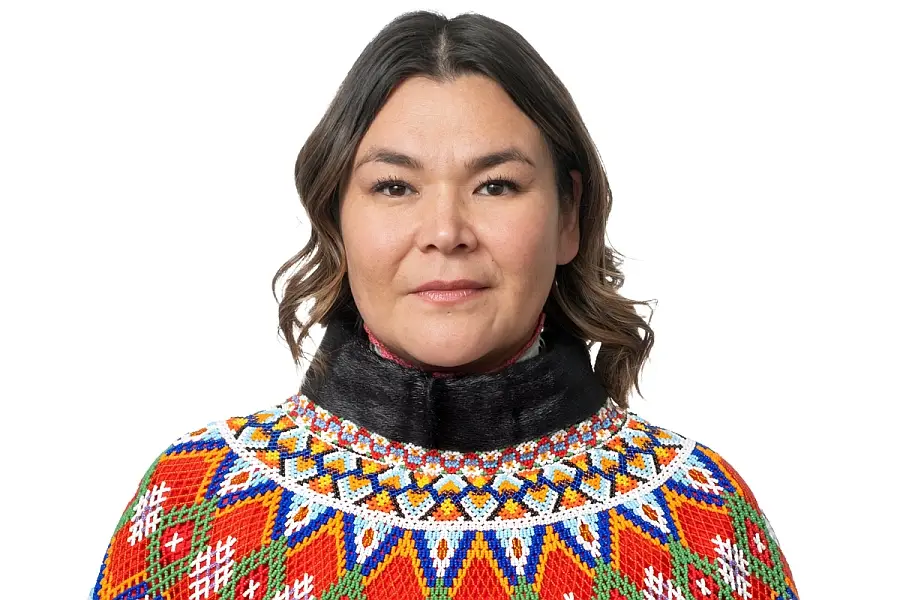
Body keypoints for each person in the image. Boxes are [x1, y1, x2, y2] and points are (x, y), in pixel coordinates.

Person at [90, 10, 799, 600]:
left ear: (569, 215)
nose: (445, 232)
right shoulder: (199, 512)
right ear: (336, 218)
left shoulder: (700, 524)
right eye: (395, 187)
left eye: (496, 185)